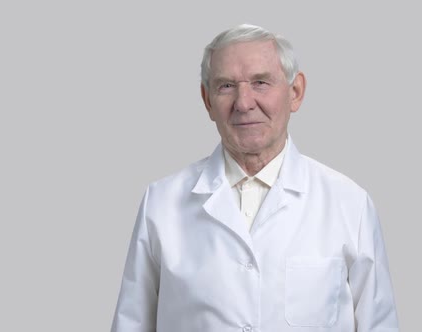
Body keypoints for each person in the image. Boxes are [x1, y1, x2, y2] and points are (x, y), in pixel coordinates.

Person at [111, 24, 399, 332]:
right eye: (226, 86)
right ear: (207, 100)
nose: (244, 102)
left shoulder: (349, 204)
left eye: (261, 82)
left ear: (296, 92)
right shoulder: (161, 204)